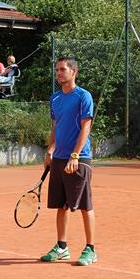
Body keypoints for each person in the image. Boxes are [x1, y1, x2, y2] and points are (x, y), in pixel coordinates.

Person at [40, 56, 97, 266]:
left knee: (84, 205)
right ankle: (62, 247)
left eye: (62, 69)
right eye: (57, 70)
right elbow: (56, 127)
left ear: (74, 72)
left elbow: (86, 127)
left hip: (79, 158)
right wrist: (50, 150)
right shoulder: (55, 98)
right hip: (59, 158)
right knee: (61, 205)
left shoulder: (83, 96)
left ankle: (91, 249)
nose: (59, 73)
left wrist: (75, 155)